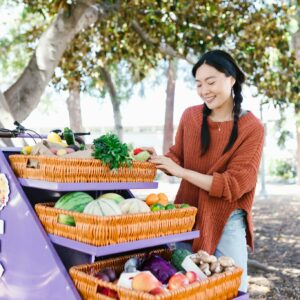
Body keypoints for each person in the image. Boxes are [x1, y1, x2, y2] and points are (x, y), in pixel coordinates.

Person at [143, 49, 264, 292]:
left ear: (232, 79)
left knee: (232, 291)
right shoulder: (191, 117)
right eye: (198, 84)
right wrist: (156, 158)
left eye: (211, 82)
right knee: (183, 290)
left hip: (226, 219)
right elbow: (177, 157)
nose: (204, 90)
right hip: (187, 216)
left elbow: (234, 185)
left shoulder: (252, 128)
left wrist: (182, 172)